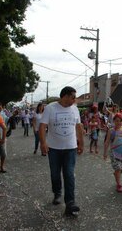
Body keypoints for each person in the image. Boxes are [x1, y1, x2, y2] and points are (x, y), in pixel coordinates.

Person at [39, 86, 84, 217]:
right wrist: (43, 143)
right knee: (55, 173)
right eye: (73, 97)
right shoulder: (50, 108)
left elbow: (78, 126)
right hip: (54, 148)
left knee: (69, 174)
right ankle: (57, 193)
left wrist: (81, 142)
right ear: (65, 96)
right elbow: (42, 126)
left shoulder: (75, 109)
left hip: (71, 148)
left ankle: (70, 203)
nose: (74, 100)